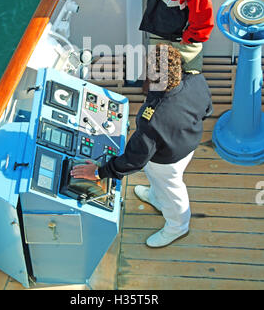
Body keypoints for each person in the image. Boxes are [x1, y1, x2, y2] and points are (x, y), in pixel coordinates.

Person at [71, 45, 213, 248]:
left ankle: (177, 227)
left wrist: (100, 172)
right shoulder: (197, 80)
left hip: (166, 162)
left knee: (172, 190)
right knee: (160, 184)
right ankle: (157, 198)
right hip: (188, 144)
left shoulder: (152, 119)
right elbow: (207, 110)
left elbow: (134, 159)